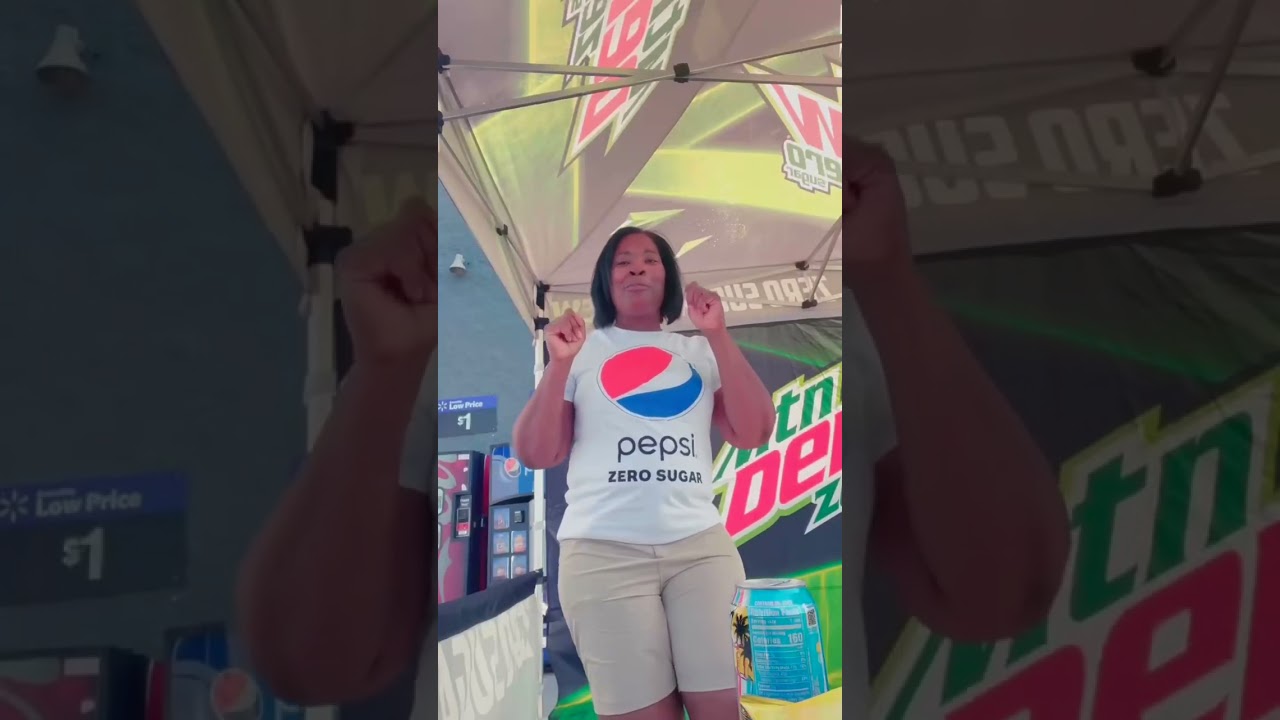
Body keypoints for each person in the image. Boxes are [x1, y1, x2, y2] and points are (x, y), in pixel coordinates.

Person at [511, 228, 777, 720]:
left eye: (650, 260)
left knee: (726, 706)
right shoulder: (580, 352)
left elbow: (754, 430)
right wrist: (558, 366)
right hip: (602, 556)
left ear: (669, 278)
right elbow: (536, 452)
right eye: (622, 262)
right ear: (604, 282)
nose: (636, 268)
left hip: (701, 550)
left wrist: (717, 333)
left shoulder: (699, 352)